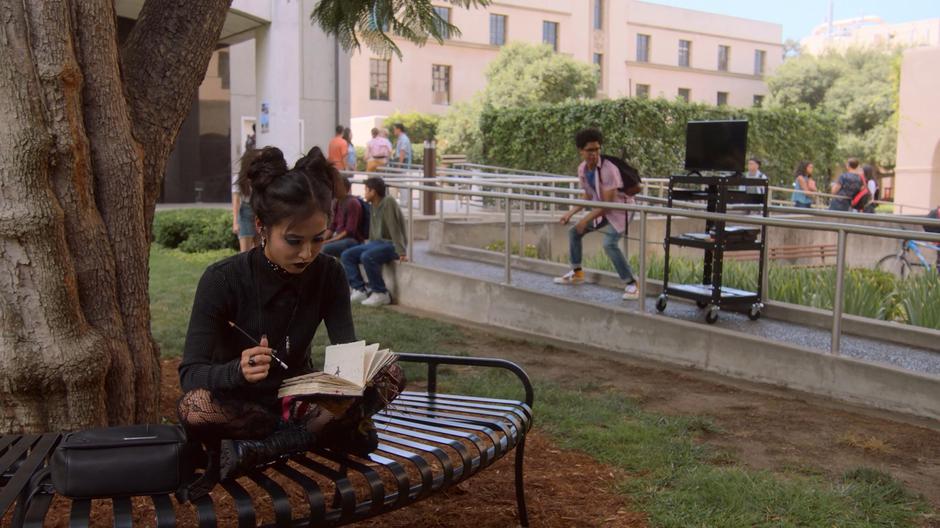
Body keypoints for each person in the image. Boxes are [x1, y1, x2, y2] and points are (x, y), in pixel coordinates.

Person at [177, 146, 405, 500]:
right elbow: (190, 374)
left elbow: (344, 346)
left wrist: (352, 376)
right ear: (261, 227)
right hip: (242, 405)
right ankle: (320, 431)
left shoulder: (328, 273)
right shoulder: (221, 279)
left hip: (297, 398)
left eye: (319, 238)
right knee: (194, 406)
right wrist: (237, 371)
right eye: (294, 241)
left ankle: (278, 444)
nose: (307, 253)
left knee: (391, 373)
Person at [554, 128, 639, 301]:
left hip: (621, 210)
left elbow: (607, 205)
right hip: (603, 210)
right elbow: (588, 195)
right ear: (581, 151)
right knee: (574, 232)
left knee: (609, 244)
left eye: (597, 149)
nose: (594, 153)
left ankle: (631, 284)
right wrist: (570, 213)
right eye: (590, 150)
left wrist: (585, 220)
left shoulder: (609, 169)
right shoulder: (583, 169)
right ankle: (577, 273)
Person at [341, 177, 408, 307]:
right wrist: (369, 245)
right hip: (377, 243)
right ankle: (360, 289)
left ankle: (381, 293)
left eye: (366, 190)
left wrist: (401, 251)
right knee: (347, 255)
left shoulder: (388, 201)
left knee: (367, 256)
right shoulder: (373, 205)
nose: (365, 193)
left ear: (374, 192)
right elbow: (373, 230)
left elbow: (394, 228)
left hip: (391, 244)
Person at [321, 177, 364, 259]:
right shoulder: (337, 202)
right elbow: (332, 226)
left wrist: (329, 241)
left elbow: (349, 231)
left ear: (345, 188)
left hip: (351, 240)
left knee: (324, 248)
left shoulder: (352, 202)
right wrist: (321, 239)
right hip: (338, 238)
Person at [232, 149, 258, 252]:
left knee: (259, 250)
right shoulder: (239, 178)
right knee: (245, 251)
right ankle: (245, 268)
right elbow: (236, 201)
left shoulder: (260, 177)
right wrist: (235, 222)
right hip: (245, 213)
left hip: (258, 212)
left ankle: (256, 268)